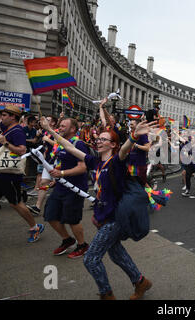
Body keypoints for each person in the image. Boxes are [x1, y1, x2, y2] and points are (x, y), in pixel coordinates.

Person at [40, 116, 157, 300]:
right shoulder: (95, 162)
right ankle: (141, 282)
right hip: (103, 216)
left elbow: (125, 149)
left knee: (91, 259)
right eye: (98, 138)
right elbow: (69, 147)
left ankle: (107, 295)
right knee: (116, 253)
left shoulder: (116, 162)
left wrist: (133, 135)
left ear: (112, 145)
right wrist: (50, 130)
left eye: (103, 139)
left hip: (114, 218)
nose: (98, 141)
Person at [0, 100, 44, 247]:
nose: (2, 117)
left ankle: (35, 227)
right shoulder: (6, 127)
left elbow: (22, 150)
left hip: (8, 175)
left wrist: (6, 142)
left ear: (13, 117)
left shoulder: (18, 131)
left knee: (15, 203)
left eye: (5, 115)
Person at [43, 117, 90, 259]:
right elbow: (60, 164)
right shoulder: (61, 144)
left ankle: (82, 245)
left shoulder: (79, 144)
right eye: (59, 126)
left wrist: (62, 173)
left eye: (63, 126)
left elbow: (82, 168)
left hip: (75, 189)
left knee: (72, 219)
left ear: (73, 129)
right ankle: (67, 240)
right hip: (61, 187)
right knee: (50, 215)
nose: (60, 128)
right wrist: (56, 180)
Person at [127, 119, 151, 186]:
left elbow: (148, 148)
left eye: (132, 124)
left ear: (137, 125)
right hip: (131, 164)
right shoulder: (131, 134)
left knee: (142, 184)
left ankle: (151, 195)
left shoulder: (142, 135)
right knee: (133, 184)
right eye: (130, 124)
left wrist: (136, 145)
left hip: (139, 165)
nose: (130, 126)